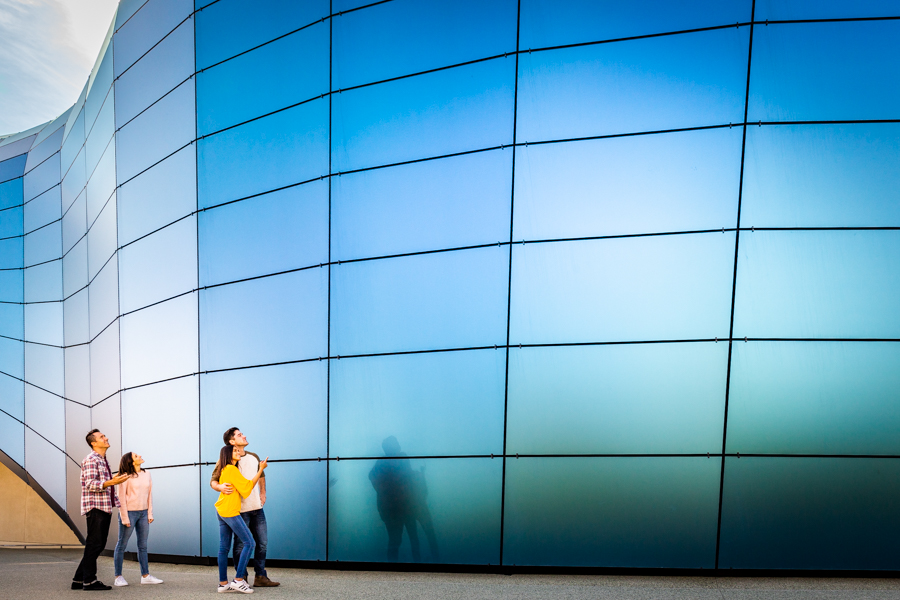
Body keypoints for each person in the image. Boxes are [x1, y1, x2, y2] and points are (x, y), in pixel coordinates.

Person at [210, 428, 279, 587]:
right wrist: (220, 487)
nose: (244, 436)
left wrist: (263, 493)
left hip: (256, 508)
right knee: (242, 545)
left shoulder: (253, 456)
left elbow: (261, 477)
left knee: (262, 543)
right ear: (232, 441)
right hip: (239, 510)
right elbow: (213, 481)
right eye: (239, 435)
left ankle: (259, 577)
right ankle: (241, 578)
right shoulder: (227, 461)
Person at [72, 429, 129, 591]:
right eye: (102, 437)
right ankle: (89, 581)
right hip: (96, 507)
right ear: (94, 443)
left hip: (103, 506)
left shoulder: (102, 460)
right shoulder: (91, 459)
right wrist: (111, 482)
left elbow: (102, 481)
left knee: (96, 544)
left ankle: (78, 580)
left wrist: (112, 481)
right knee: (95, 544)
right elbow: (90, 484)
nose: (106, 438)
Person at [214, 444, 268, 594]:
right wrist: (261, 469)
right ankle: (238, 580)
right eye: (235, 451)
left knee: (224, 548)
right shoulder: (231, 469)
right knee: (250, 543)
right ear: (227, 454)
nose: (238, 452)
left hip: (221, 509)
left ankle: (223, 584)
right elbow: (247, 487)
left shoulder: (224, 469)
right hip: (230, 511)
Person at [112, 452, 163, 586]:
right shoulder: (124, 476)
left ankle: (145, 576)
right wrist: (124, 517)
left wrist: (150, 513)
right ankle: (118, 577)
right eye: (136, 456)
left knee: (143, 546)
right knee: (122, 545)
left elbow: (149, 494)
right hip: (129, 513)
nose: (139, 456)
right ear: (131, 462)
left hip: (143, 513)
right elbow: (121, 498)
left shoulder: (147, 474)